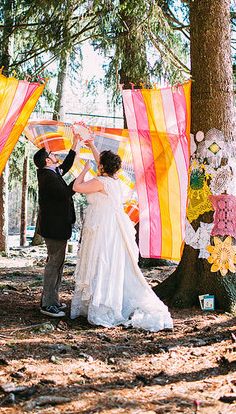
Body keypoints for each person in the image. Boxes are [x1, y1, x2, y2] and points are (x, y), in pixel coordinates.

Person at [70, 140, 173, 330]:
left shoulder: (100, 182)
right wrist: (91, 145)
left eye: (99, 163)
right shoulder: (114, 182)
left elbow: (77, 187)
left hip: (102, 227)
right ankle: (101, 301)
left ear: (102, 166)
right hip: (110, 225)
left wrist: (84, 170)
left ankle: (102, 305)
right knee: (106, 261)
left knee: (101, 260)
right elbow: (100, 161)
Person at [33, 134, 81, 318]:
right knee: (53, 265)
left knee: (57, 264)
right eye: (52, 154)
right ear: (47, 161)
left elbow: (66, 166)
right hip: (54, 229)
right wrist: (82, 176)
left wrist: (75, 144)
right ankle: (47, 305)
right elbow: (66, 192)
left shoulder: (52, 172)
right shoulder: (47, 177)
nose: (55, 155)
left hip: (57, 227)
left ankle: (52, 299)